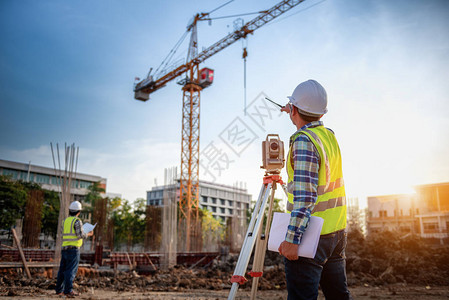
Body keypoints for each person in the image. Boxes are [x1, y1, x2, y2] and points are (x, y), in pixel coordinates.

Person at [278, 80, 352, 300]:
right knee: (339, 296)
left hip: (311, 236)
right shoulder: (328, 136)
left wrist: (292, 240)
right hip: (336, 233)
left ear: (295, 110)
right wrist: (294, 110)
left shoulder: (303, 141)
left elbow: (305, 196)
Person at [55, 201, 93, 297]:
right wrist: (88, 234)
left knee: (62, 270)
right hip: (73, 249)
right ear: (79, 212)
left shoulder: (65, 221)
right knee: (70, 271)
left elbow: (62, 233)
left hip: (64, 249)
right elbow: (80, 235)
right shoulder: (77, 221)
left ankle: (59, 290)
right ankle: (68, 291)